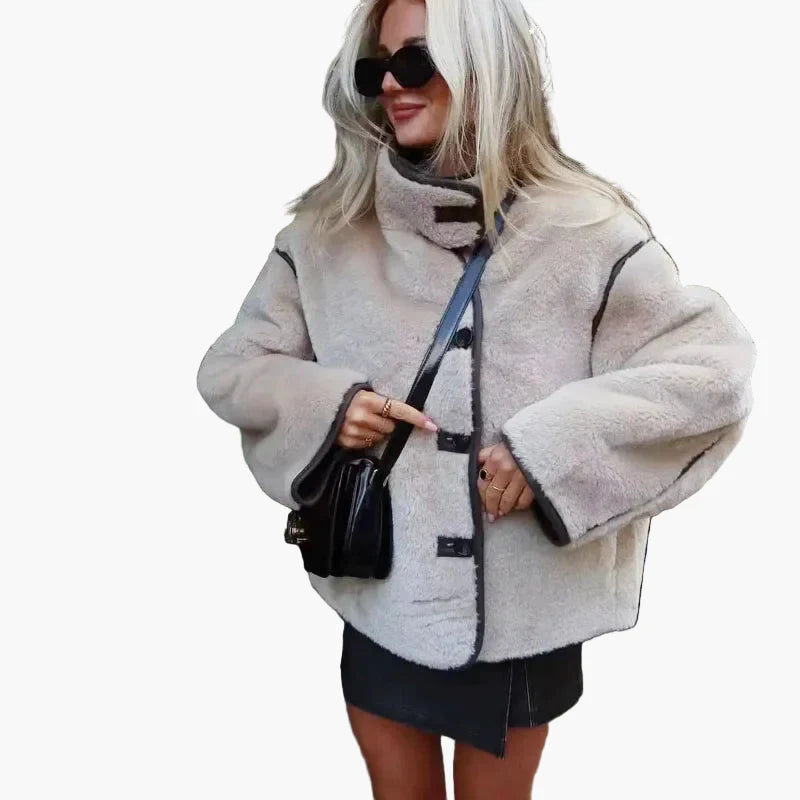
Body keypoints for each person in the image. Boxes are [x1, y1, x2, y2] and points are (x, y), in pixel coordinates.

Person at [195, 0, 757, 796]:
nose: (392, 84)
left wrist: (552, 449)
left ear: (487, 65)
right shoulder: (327, 236)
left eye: (417, 60)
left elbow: (711, 372)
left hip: (525, 610)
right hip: (379, 593)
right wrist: (329, 405)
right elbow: (233, 366)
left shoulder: (587, 231)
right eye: (376, 67)